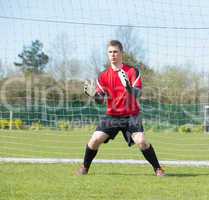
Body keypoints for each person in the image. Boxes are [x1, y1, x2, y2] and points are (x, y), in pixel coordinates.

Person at [76, 40, 165, 176]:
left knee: (141, 141)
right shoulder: (103, 76)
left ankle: (158, 169)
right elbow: (100, 100)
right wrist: (94, 95)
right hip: (112, 116)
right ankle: (84, 168)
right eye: (110, 52)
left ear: (121, 53)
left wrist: (129, 88)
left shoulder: (132, 71)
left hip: (131, 115)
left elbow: (138, 93)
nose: (113, 55)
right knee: (95, 140)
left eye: (116, 52)